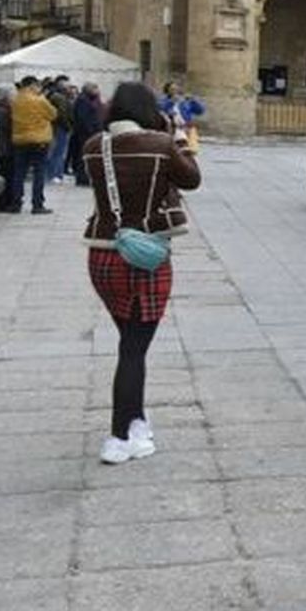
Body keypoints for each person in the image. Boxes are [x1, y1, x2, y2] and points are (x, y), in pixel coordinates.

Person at [80, 82, 201, 464]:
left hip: (103, 255)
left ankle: (136, 422)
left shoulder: (93, 146)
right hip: (145, 255)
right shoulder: (160, 145)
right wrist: (177, 137)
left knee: (130, 342)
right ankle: (119, 437)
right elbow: (192, 179)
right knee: (133, 349)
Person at [9, 76, 58, 214]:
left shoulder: (15, 100)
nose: (39, 88)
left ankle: (16, 203)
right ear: (32, 85)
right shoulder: (39, 100)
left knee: (19, 173)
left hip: (20, 141)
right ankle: (37, 205)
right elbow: (53, 114)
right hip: (39, 140)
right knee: (39, 172)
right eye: (37, 85)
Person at [71, 83, 106, 187]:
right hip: (86, 134)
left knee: (84, 154)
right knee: (84, 155)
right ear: (89, 89)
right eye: (95, 88)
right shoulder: (83, 101)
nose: (98, 91)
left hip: (88, 132)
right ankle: (83, 178)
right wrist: (91, 130)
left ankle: (85, 177)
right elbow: (83, 118)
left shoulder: (88, 100)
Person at [158, 81, 206, 152]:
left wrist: (194, 100)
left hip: (187, 128)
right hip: (172, 129)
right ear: (167, 91)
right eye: (172, 89)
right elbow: (160, 108)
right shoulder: (163, 101)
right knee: (175, 150)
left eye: (176, 89)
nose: (175, 91)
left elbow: (200, 111)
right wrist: (171, 102)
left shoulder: (185, 101)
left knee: (192, 151)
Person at [45, 79, 75, 184]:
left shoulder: (59, 97)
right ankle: (54, 175)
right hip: (60, 128)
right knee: (58, 152)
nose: (71, 89)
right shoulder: (59, 98)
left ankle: (58, 174)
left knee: (59, 152)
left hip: (58, 127)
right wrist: (68, 126)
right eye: (68, 87)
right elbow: (62, 114)